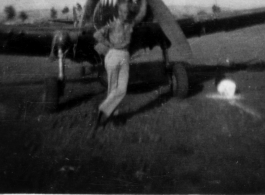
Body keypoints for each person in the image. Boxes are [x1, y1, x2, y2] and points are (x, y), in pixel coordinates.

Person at [93, 0, 147, 129]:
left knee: (122, 90)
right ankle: (110, 115)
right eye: (122, 12)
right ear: (118, 12)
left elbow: (142, 14)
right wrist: (109, 44)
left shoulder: (130, 24)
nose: (125, 14)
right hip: (113, 55)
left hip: (125, 56)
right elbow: (97, 35)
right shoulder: (112, 24)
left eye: (127, 12)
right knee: (112, 87)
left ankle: (103, 109)